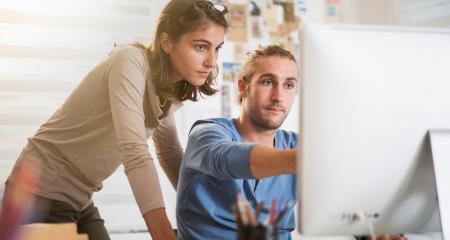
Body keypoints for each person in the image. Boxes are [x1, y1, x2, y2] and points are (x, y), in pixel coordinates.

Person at [2, 0, 228, 240]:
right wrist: (164, 235)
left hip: (78, 198)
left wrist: (209, 214)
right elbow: (134, 152)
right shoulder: (130, 61)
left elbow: (170, 153)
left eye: (217, 48)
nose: (212, 62)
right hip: (38, 191)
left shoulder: (166, 90)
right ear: (166, 42)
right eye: (201, 47)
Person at [176, 45, 298, 240]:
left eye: (289, 85)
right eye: (267, 82)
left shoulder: (297, 146)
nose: (278, 96)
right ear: (242, 87)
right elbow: (227, 159)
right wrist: (305, 160)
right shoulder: (206, 133)